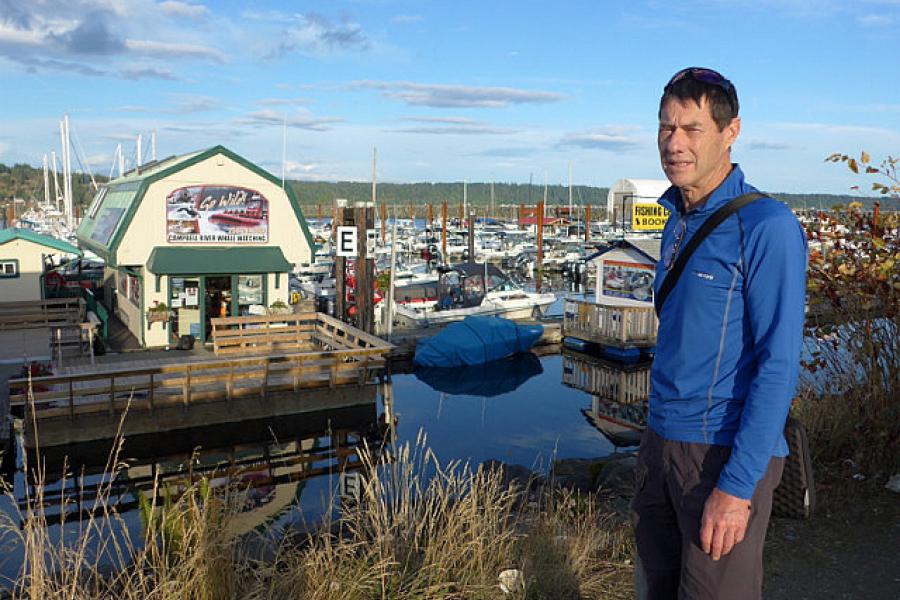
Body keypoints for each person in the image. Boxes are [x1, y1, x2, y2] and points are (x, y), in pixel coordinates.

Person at [631, 67, 807, 599]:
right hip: (661, 442)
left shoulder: (767, 227)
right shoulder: (673, 220)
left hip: (721, 451)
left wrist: (736, 485)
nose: (674, 143)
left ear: (730, 132)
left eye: (691, 129)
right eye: (665, 127)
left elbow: (778, 363)